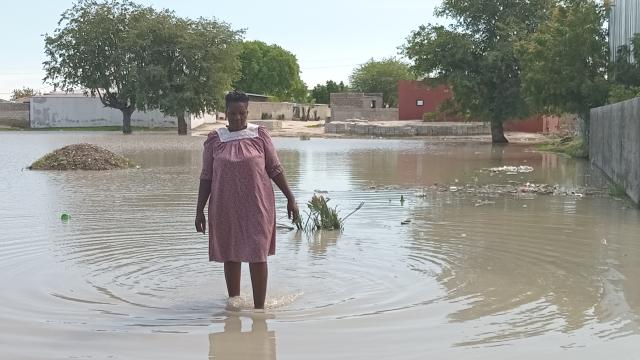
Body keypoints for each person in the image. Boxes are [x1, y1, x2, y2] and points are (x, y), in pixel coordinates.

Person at [195, 90, 299, 310]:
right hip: (225, 206)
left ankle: (259, 310)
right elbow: (206, 177)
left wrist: (291, 198)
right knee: (231, 254)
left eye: (242, 113)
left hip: (257, 205)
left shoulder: (259, 135)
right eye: (232, 114)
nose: (237, 118)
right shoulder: (215, 140)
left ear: (247, 111)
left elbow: (275, 169)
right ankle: (233, 308)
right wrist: (199, 211)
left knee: (257, 253)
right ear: (226, 113)